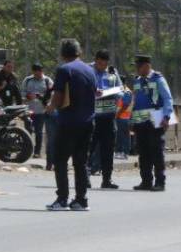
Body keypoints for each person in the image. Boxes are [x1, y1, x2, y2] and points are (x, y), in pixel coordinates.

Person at [45, 38, 97, 211]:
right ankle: (81, 200)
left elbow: (58, 96)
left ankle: (62, 199)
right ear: (78, 52)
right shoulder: (90, 71)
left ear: (62, 54)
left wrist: (51, 107)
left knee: (60, 160)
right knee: (80, 162)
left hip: (68, 122)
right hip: (88, 122)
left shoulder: (64, 70)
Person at [130, 53, 173, 192]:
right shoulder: (137, 81)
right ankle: (146, 181)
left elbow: (167, 98)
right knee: (143, 152)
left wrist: (166, 117)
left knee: (156, 151)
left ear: (147, 66)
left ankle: (160, 182)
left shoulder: (158, 79)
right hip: (140, 121)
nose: (137, 68)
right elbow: (135, 101)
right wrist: (131, 119)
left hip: (156, 119)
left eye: (139, 66)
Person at [88, 51, 122, 189]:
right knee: (89, 148)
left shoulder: (113, 72)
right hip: (91, 116)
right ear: (95, 60)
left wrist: (113, 93)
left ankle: (107, 179)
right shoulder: (87, 70)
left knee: (108, 149)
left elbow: (120, 89)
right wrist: (94, 92)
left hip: (108, 116)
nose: (103, 66)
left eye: (105, 64)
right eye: (100, 63)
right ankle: (85, 177)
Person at [22, 63, 52, 160]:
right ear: (33, 71)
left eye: (39, 72)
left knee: (39, 132)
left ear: (41, 71)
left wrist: (42, 97)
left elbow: (53, 93)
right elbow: (22, 92)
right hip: (28, 110)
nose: (37, 74)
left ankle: (37, 152)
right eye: (35, 72)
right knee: (28, 131)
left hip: (41, 111)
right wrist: (27, 96)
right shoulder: (27, 80)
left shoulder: (47, 80)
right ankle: (26, 151)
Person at [115, 81, 133, 158]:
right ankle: (124, 152)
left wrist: (117, 114)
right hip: (126, 116)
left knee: (121, 135)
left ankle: (122, 152)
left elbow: (124, 105)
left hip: (122, 116)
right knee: (125, 135)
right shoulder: (128, 91)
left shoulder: (125, 91)